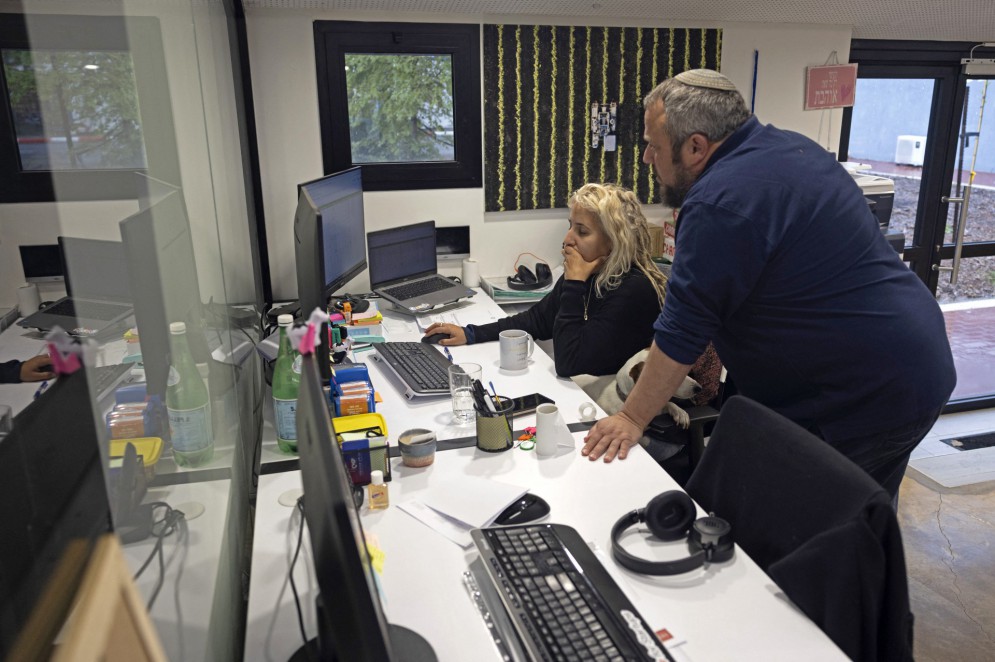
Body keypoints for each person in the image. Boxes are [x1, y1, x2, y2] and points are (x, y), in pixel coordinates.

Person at [582, 69, 956, 501]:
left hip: (861, 394)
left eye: (654, 145)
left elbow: (682, 332)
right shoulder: (794, 149)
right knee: (861, 526)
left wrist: (631, 418)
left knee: (811, 533)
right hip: (912, 366)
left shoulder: (719, 201)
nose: (648, 157)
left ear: (696, 146)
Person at [423, 182, 668, 377]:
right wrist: (471, 334)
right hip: (587, 393)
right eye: (571, 226)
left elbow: (568, 363)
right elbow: (539, 319)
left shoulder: (634, 289)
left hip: (616, 405)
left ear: (614, 241)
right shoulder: (592, 274)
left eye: (582, 231)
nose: (568, 239)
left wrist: (574, 284)